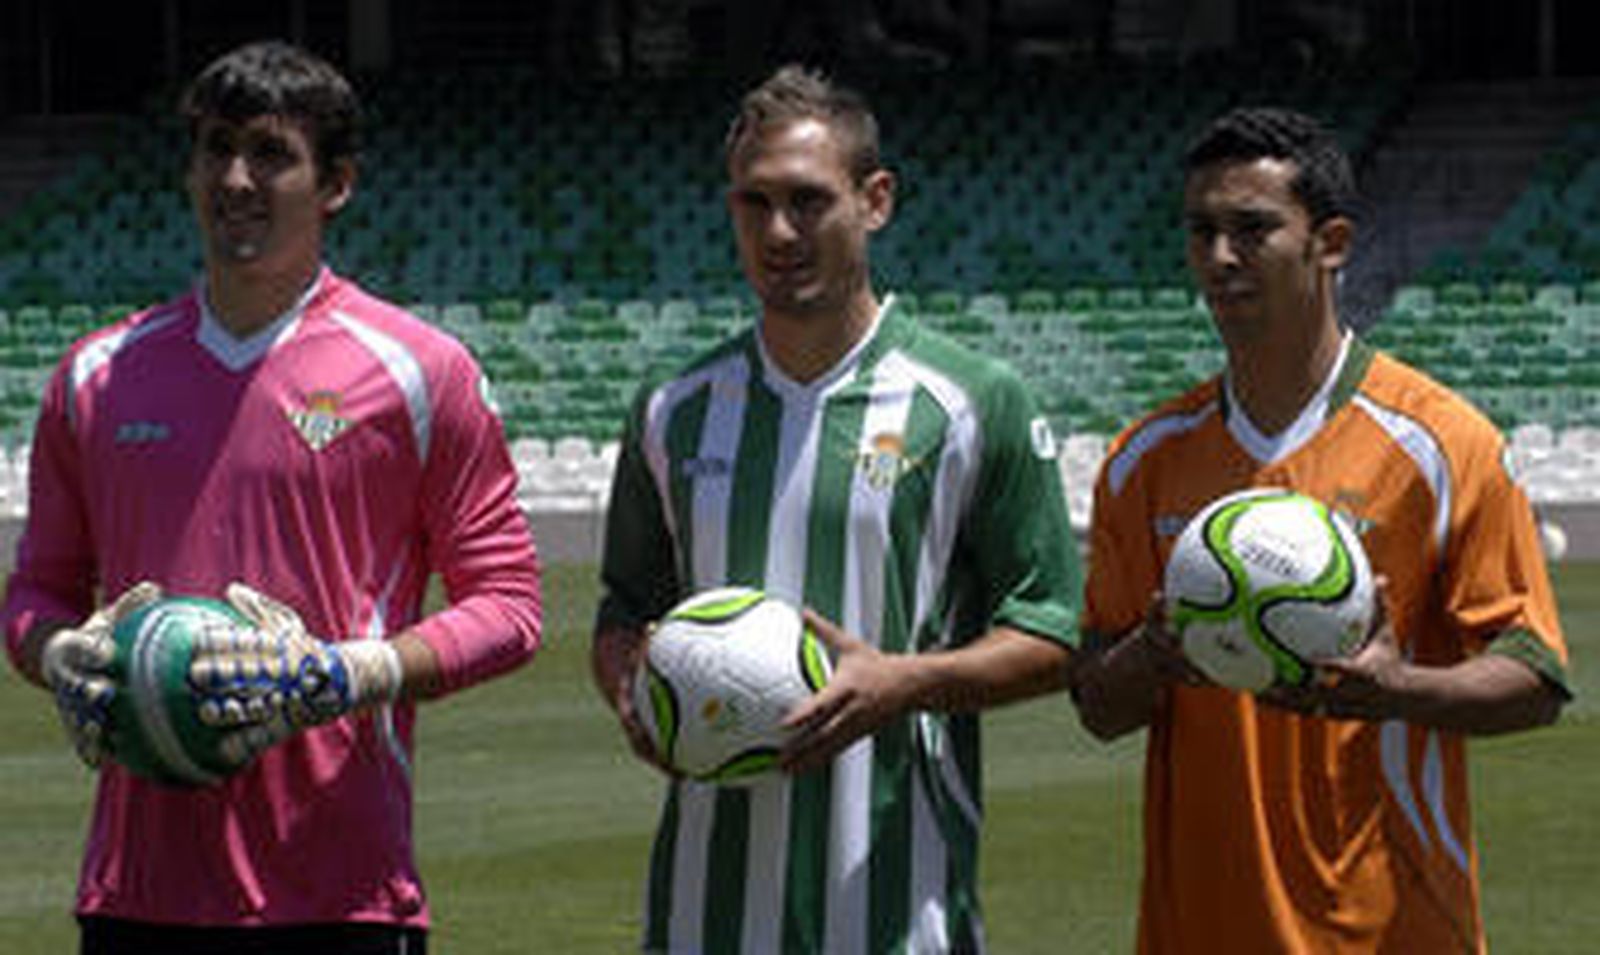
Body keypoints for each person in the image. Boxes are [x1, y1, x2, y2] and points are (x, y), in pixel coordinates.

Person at [2, 40, 542, 954]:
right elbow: (35, 592)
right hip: (136, 893)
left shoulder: (420, 374)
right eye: (215, 148)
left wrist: (352, 672)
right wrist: (62, 653)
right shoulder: (93, 376)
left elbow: (511, 605)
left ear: (336, 184)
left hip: (341, 890)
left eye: (270, 152)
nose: (236, 178)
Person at [590, 63, 1080, 954]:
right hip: (704, 919)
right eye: (754, 202)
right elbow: (626, 607)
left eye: (809, 201)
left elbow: (1052, 633)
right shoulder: (672, 409)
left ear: (876, 200)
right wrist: (635, 693)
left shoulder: (972, 401)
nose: (779, 231)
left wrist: (907, 681)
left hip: (901, 913)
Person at [1068, 106, 1571, 953]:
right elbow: (1097, 705)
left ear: (1330, 242)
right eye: (1202, 232)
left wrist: (1396, 689)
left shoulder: (1445, 443)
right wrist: (1146, 658)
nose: (1220, 258)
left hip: (1394, 930)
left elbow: (1535, 677)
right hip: (1200, 930)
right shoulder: (1142, 457)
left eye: (1252, 229)